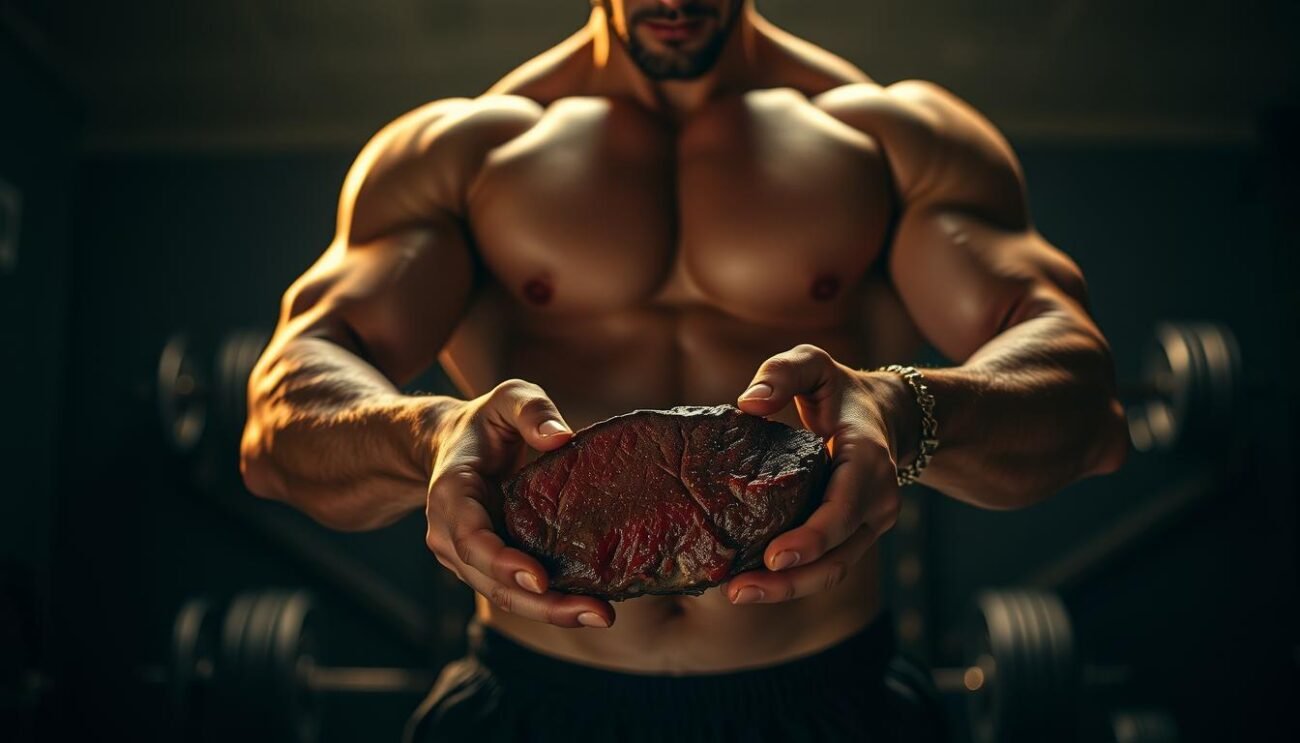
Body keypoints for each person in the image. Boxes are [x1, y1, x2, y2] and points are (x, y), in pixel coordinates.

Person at [239, 1, 1130, 739]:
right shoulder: (465, 154)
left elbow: (1086, 404)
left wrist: (904, 409)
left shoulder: (890, 139)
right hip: (533, 699)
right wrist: (427, 435)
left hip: (826, 699)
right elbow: (280, 415)